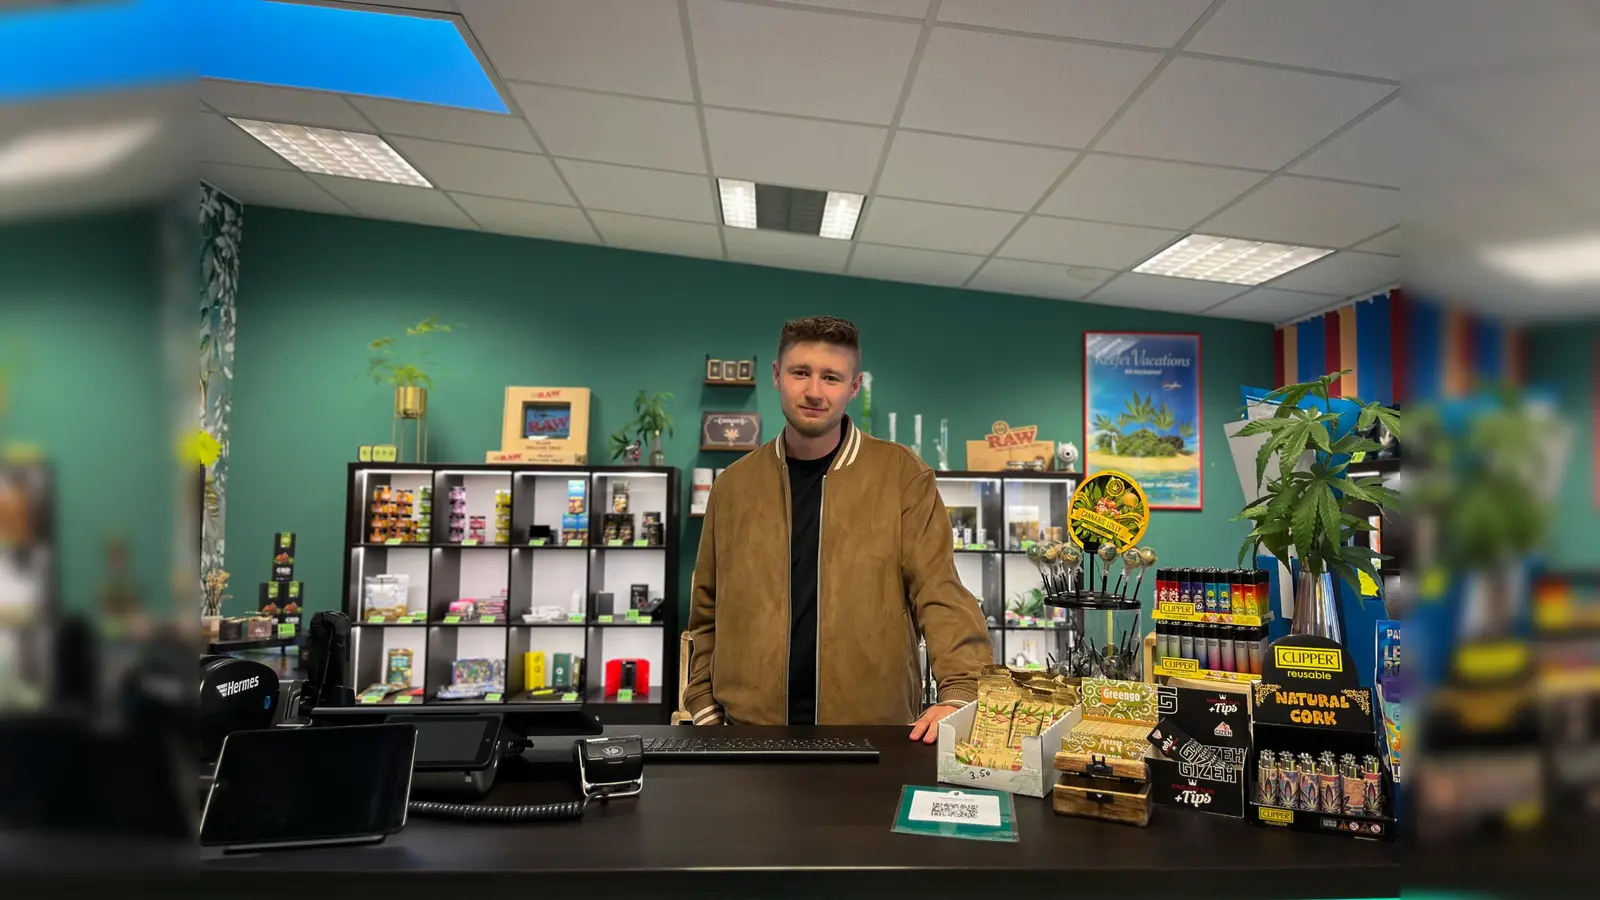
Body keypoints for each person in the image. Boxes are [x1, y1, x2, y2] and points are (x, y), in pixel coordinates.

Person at [682, 315, 992, 742]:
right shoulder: (733, 486)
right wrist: (703, 704)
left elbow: (939, 589)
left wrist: (959, 690)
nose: (814, 391)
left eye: (831, 377)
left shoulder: (902, 475)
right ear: (776, 376)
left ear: (853, 386)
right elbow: (706, 607)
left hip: (873, 735)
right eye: (800, 373)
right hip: (748, 737)